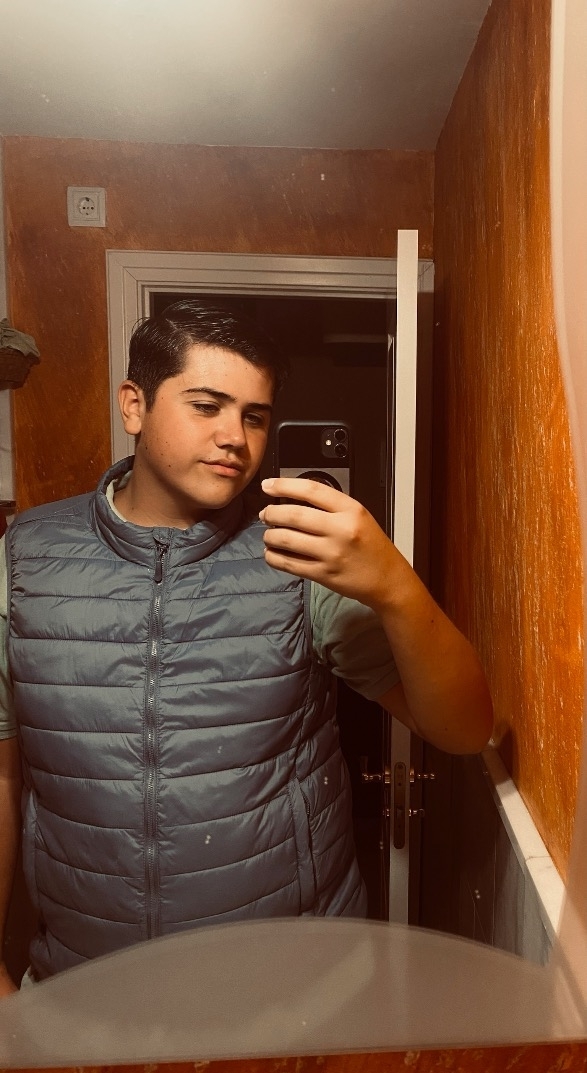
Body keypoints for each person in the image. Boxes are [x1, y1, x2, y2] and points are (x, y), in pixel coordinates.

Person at [0, 301, 493, 993]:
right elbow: (4, 776)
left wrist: (395, 586)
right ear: (134, 405)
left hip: (295, 990)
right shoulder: (25, 559)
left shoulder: (296, 559)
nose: (234, 437)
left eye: (254, 416)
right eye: (206, 406)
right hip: (88, 990)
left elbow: (463, 730)